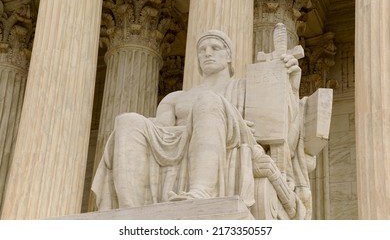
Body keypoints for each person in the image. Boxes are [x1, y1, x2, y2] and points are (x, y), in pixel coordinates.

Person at [91, 30, 301, 211]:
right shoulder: (175, 98)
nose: (207, 53)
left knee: (208, 101)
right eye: (202, 50)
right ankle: (130, 210)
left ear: (229, 56)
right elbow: (162, 129)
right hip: (179, 142)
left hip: (233, 138)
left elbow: (281, 125)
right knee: (127, 120)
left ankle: (201, 191)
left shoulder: (246, 87)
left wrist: (290, 84)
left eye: (215, 48)